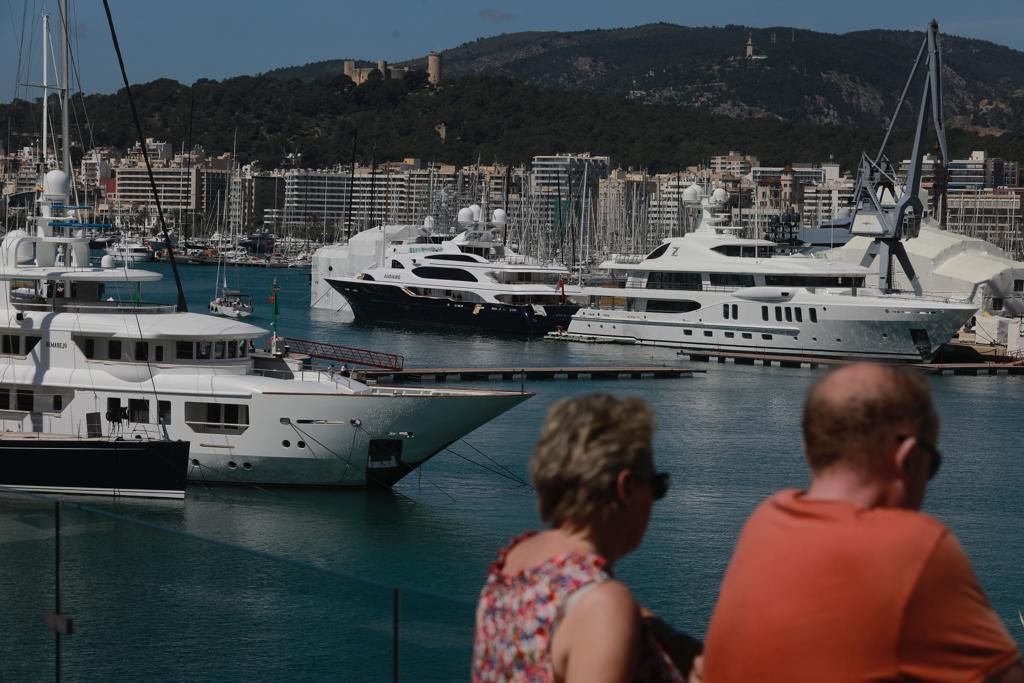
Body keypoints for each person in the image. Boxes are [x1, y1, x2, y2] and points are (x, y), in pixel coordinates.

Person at [703, 363, 1022, 682]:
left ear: (810, 449)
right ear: (909, 458)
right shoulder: (915, 548)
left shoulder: (764, 522)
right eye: (932, 467)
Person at [472, 393, 701, 683]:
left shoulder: (516, 561)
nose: (656, 500)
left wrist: (663, 637)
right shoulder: (603, 606)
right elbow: (596, 607)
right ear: (626, 488)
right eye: (658, 485)